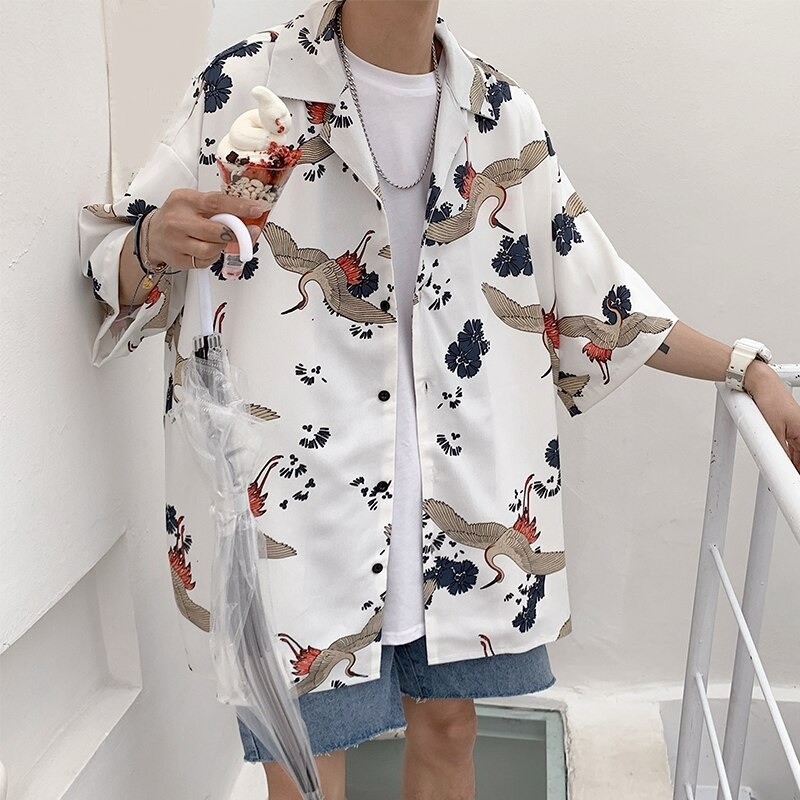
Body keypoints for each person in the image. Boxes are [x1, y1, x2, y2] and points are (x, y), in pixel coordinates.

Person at [78, 0, 800, 798]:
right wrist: (150, 242)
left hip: (455, 492)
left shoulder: (499, 113)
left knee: (453, 727)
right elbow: (112, 258)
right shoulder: (246, 83)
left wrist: (745, 368)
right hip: (301, 500)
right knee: (304, 761)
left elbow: (600, 299)